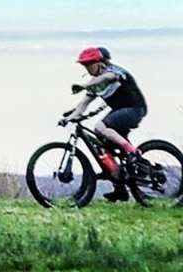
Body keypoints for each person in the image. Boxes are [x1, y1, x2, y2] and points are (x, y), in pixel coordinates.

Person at [62, 46, 146, 201]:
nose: (87, 68)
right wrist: (69, 118)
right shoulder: (95, 82)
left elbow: (106, 78)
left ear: (100, 62)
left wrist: (85, 85)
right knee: (101, 146)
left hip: (134, 109)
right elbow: (83, 105)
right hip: (119, 112)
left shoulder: (113, 71)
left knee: (100, 127)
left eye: (89, 64)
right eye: (85, 66)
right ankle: (120, 187)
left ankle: (133, 152)